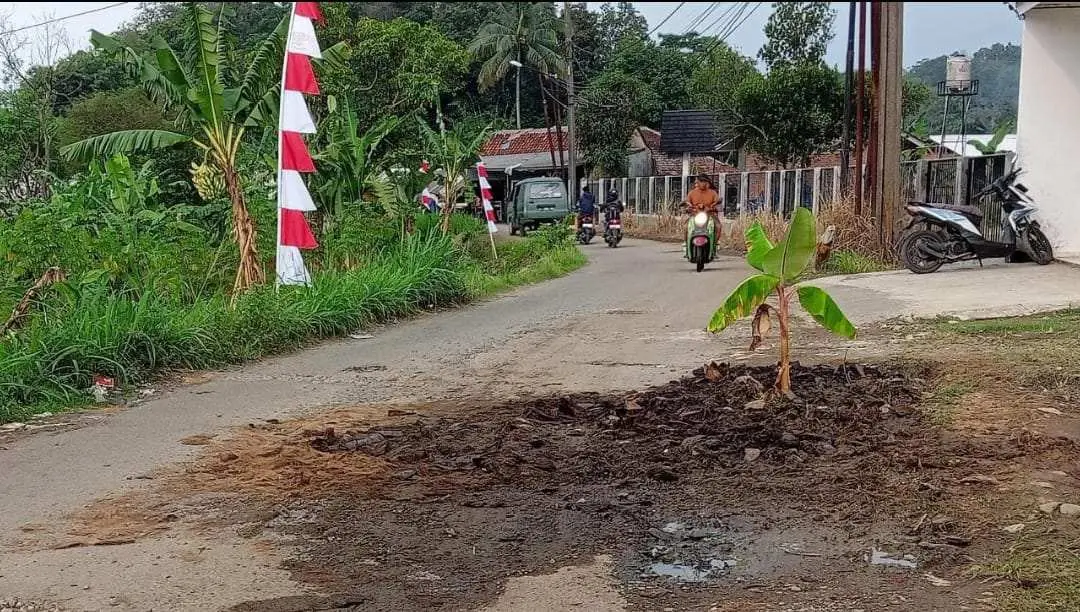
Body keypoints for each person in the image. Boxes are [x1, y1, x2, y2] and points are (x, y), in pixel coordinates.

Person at [684, 174, 721, 240]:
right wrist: (688, 207)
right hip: (695, 215)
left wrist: (715, 207)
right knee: (686, 226)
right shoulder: (692, 193)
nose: (697, 184)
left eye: (699, 182)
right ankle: (686, 243)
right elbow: (687, 202)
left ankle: (715, 244)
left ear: (706, 182)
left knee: (718, 227)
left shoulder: (713, 193)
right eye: (697, 182)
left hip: (710, 215)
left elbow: (717, 203)